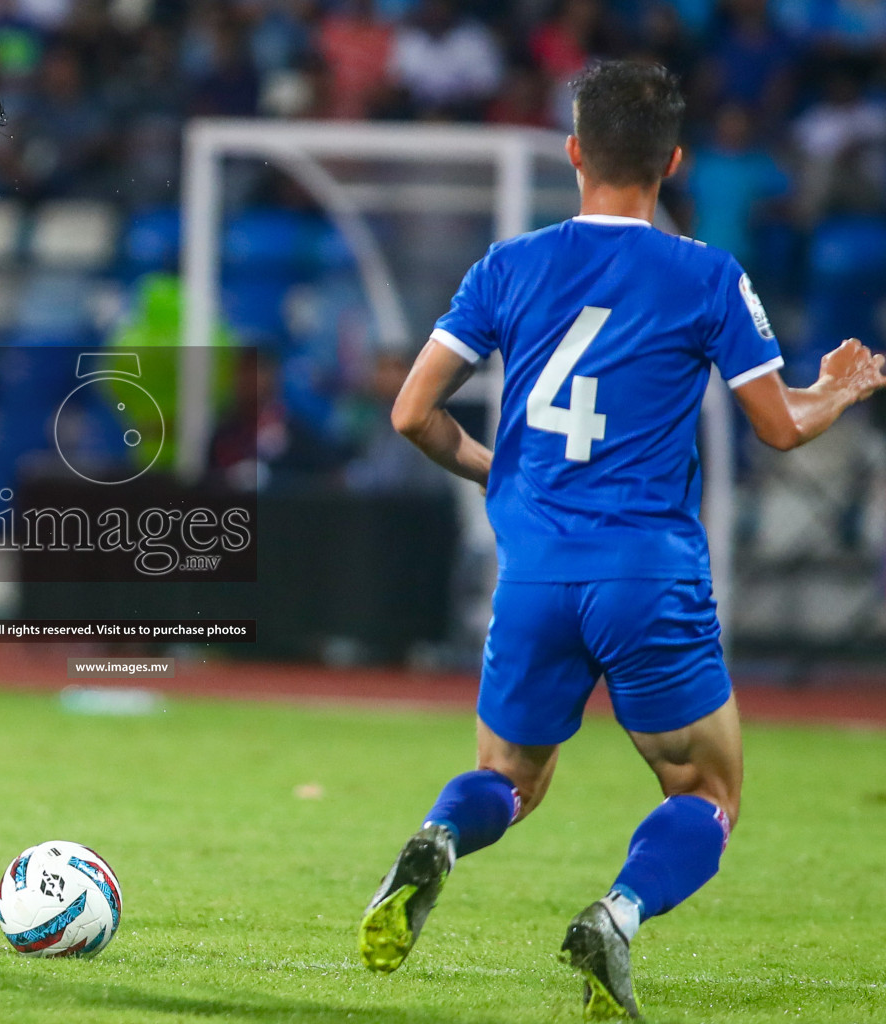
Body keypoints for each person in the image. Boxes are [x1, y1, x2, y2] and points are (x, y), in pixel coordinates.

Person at [361, 61, 886, 1020]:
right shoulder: (706, 275)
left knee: (505, 780)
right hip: (650, 573)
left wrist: (497, 470)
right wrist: (840, 392)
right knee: (705, 787)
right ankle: (619, 912)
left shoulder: (507, 266)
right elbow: (778, 424)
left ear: (573, 153)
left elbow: (409, 413)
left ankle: (440, 836)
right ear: (674, 162)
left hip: (535, 574)